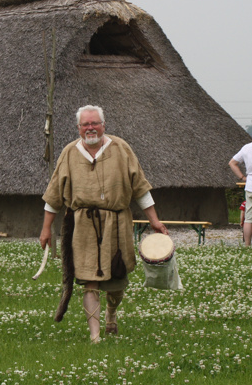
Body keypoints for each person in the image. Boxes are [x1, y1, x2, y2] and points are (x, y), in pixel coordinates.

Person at [40, 105, 167, 343]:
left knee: (116, 282)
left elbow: (140, 187)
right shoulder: (69, 153)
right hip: (83, 227)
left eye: (95, 123)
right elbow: (54, 194)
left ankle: (111, 311)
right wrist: (46, 228)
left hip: (117, 225)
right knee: (90, 280)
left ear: (103, 125)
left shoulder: (121, 148)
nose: (90, 128)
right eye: (85, 124)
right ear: (78, 128)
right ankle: (95, 337)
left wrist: (155, 221)